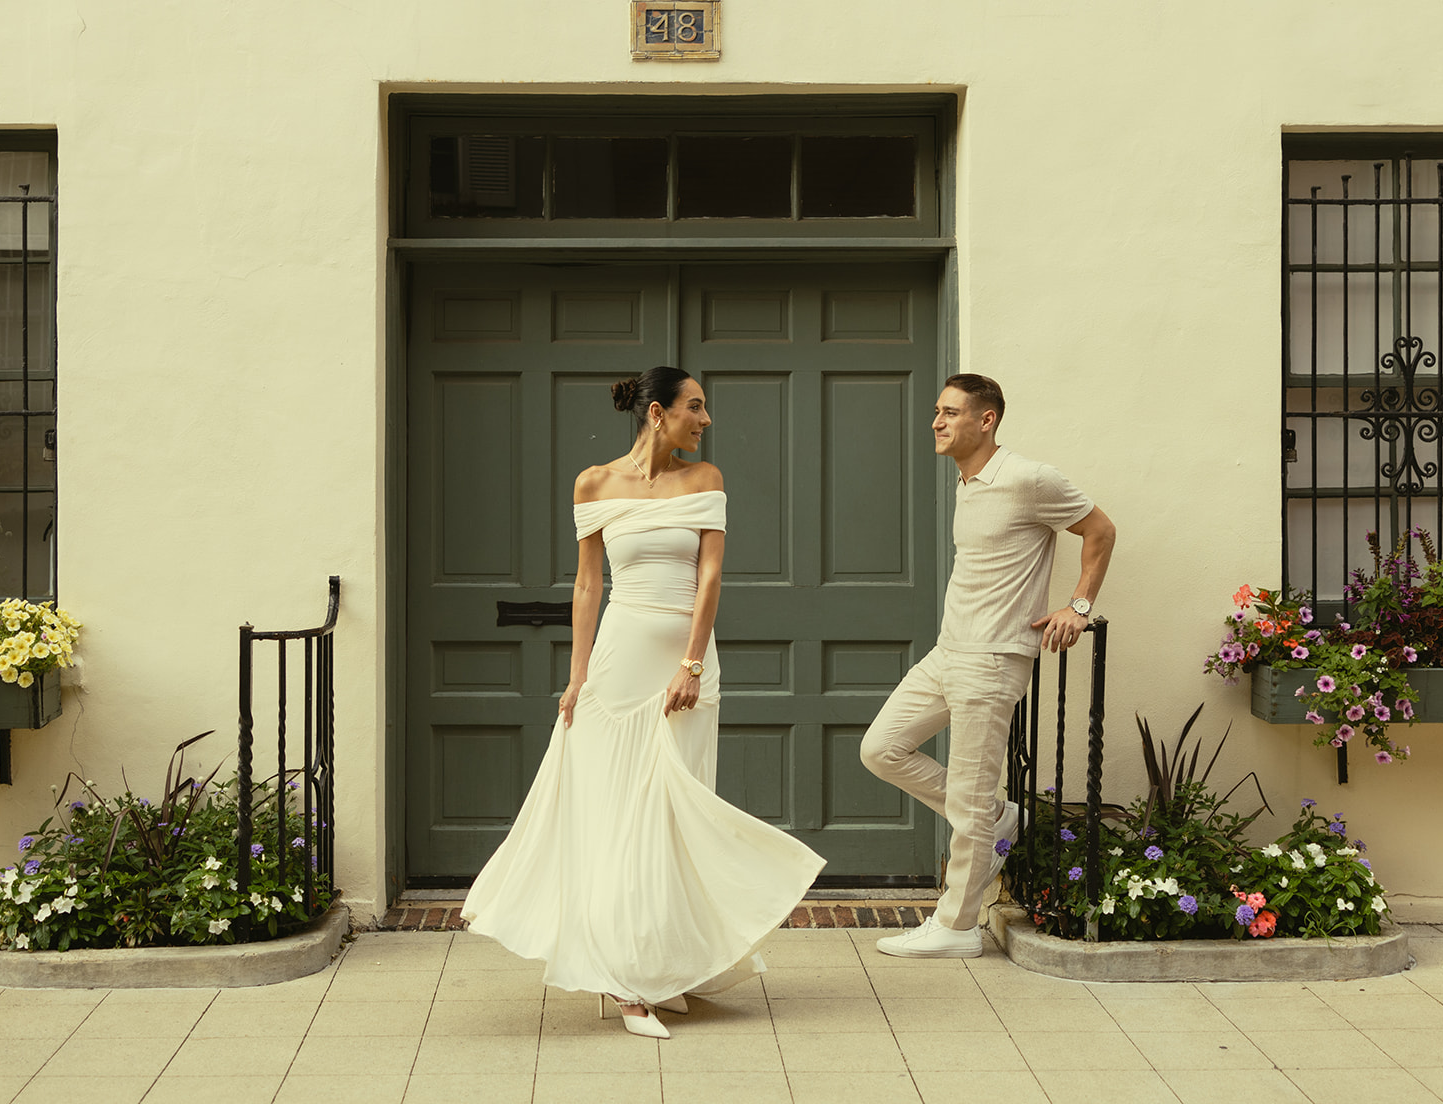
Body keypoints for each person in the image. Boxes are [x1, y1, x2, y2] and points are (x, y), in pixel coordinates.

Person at [462, 366, 824, 1037]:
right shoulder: (593, 484)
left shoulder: (705, 480)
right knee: (616, 816)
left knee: (674, 817)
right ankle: (628, 983)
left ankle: (661, 969)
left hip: (686, 666)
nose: (705, 419)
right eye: (696, 406)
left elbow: (711, 576)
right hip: (616, 668)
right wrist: (575, 676)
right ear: (657, 412)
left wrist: (690, 663)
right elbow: (587, 587)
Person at [860, 373, 1116, 958]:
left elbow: (1099, 530)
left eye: (949, 412)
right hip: (950, 649)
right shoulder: (969, 483)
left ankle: (956, 927)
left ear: (987, 420)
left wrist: (1078, 608)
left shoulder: (1029, 478)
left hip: (994, 657)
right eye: (936, 411)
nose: (936, 422)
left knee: (970, 799)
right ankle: (1000, 819)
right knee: (881, 749)